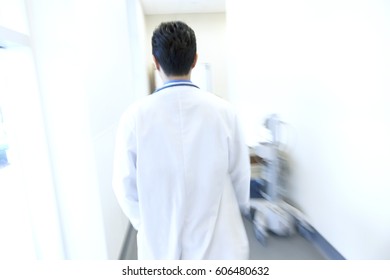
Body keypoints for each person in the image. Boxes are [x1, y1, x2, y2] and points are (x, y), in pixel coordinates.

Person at [112, 21, 250, 260]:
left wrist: (147, 224)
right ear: (195, 60)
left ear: (155, 62)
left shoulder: (134, 117)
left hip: (159, 246)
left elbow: (124, 186)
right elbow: (240, 177)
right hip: (218, 245)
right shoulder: (225, 112)